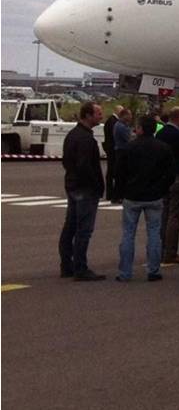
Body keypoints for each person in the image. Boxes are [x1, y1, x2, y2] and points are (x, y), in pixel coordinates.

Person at [110, 114, 175, 283]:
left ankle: (125, 272)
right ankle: (153, 270)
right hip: (154, 195)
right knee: (154, 233)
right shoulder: (163, 148)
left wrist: (120, 192)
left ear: (139, 129)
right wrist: (161, 189)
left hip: (132, 195)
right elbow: (170, 174)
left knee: (128, 234)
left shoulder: (129, 148)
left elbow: (119, 173)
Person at [59, 100, 106, 281]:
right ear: (88, 115)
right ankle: (80, 268)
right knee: (83, 230)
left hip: (72, 185)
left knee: (70, 227)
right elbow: (85, 166)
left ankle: (66, 265)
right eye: (98, 113)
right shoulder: (86, 139)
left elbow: (67, 161)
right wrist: (96, 185)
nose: (101, 116)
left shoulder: (72, 135)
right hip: (85, 189)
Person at [158, 106, 179, 265]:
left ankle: (161, 248)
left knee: (164, 213)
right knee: (175, 215)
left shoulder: (160, 133)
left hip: (163, 176)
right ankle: (170, 251)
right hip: (178, 175)